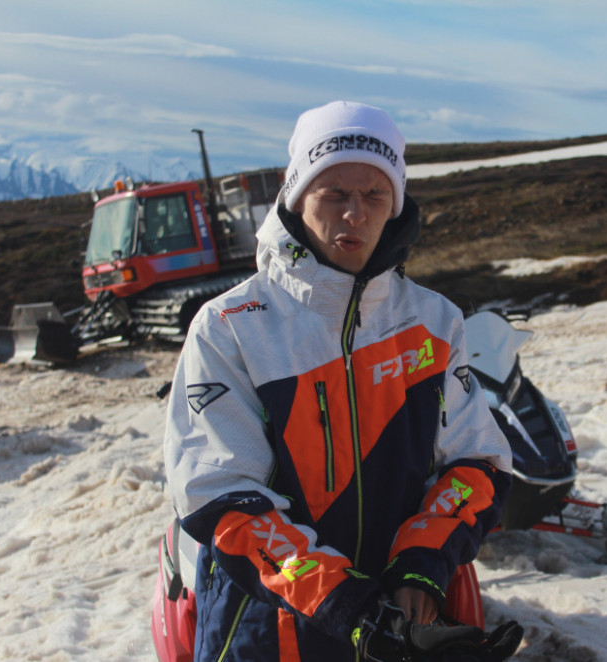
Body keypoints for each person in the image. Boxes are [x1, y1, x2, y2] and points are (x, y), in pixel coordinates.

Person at [164, 101, 521, 661]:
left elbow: (477, 461)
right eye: (333, 193)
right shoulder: (231, 327)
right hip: (269, 631)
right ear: (297, 195)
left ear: (394, 207)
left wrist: (421, 566)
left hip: (406, 622)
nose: (355, 214)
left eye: (375, 195)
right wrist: (351, 608)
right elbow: (223, 497)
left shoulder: (435, 320)